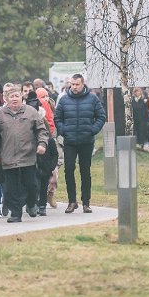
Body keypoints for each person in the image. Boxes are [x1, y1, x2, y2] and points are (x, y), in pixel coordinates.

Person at [0, 85, 49, 223]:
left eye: (17, 96)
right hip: (8, 156)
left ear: (21, 97)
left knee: (31, 184)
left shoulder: (31, 112)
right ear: (6, 99)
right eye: (11, 97)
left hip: (27, 155)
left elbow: (42, 130)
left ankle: (31, 203)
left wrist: (42, 144)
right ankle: (16, 213)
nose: (14, 99)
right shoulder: (0, 114)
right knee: (11, 188)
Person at [54, 74, 106, 214]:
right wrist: (63, 130)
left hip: (86, 140)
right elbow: (57, 118)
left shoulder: (92, 98)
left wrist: (93, 130)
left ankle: (86, 202)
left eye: (77, 84)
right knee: (69, 169)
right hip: (70, 141)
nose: (74, 87)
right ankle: (72, 201)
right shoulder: (64, 100)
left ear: (83, 84)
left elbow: (101, 116)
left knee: (85, 171)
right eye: (72, 84)